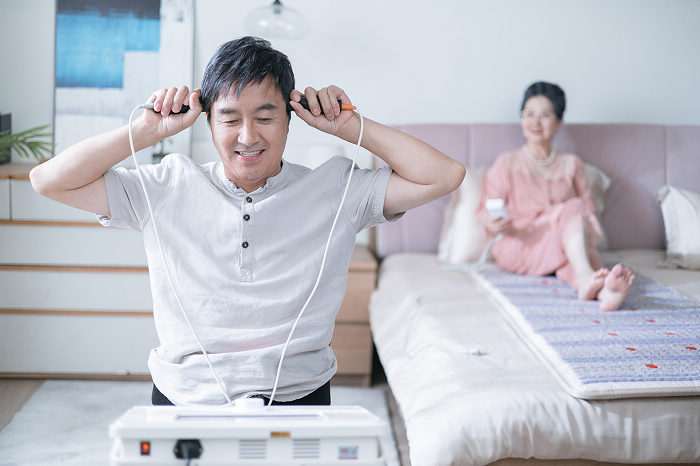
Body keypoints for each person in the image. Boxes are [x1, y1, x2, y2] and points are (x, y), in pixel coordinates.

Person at [29, 36, 465, 406]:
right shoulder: (166, 184)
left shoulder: (337, 187)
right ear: (207, 121)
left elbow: (445, 175)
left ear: (290, 120)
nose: (248, 136)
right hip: (185, 395)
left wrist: (351, 127)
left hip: (298, 394)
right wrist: (146, 131)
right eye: (230, 118)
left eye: (265, 117)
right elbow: (47, 180)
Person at [478, 81, 634, 311]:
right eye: (529, 114)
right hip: (522, 244)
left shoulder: (572, 164)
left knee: (575, 233)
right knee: (574, 218)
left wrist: (564, 219)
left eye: (545, 115)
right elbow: (485, 211)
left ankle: (603, 292)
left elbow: (589, 211)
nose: (535, 122)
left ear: (559, 121)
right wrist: (492, 222)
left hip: (566, 243)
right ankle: (588, 277)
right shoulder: (506, 163)